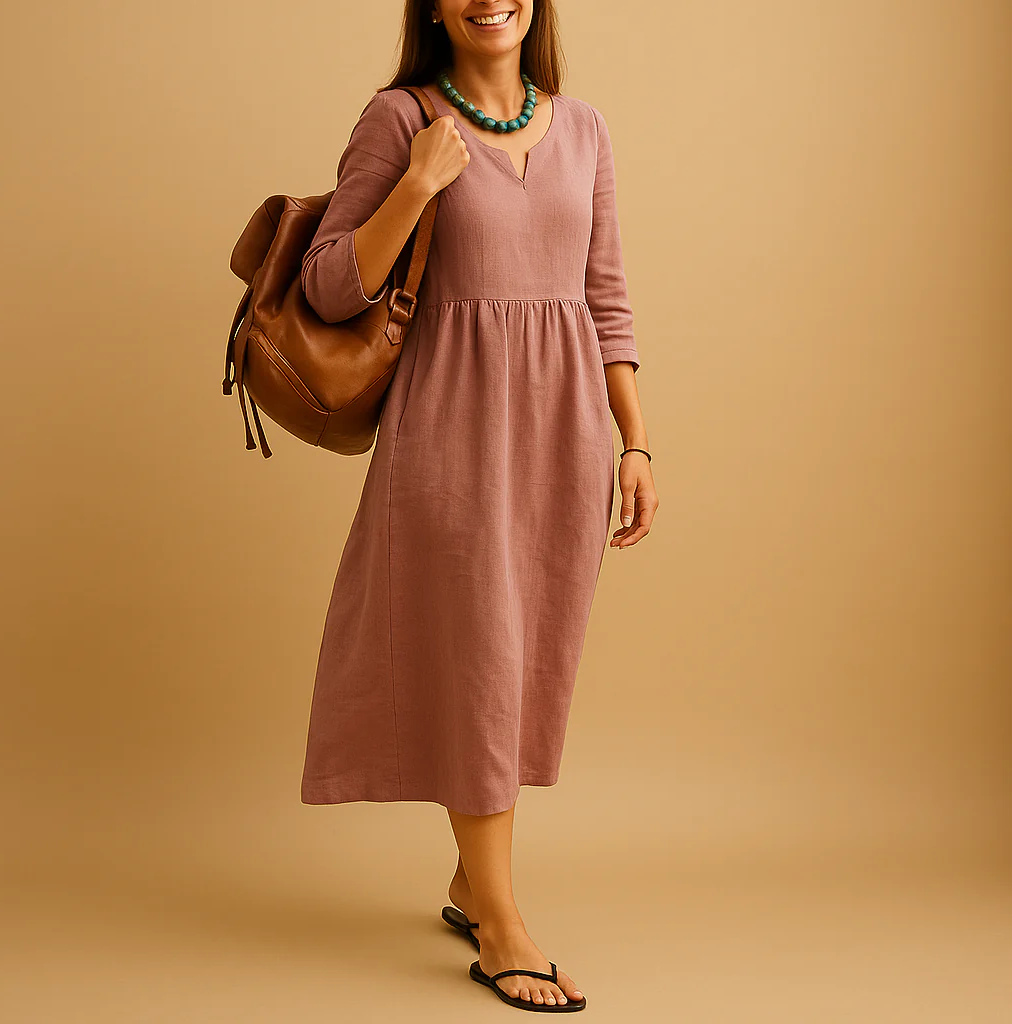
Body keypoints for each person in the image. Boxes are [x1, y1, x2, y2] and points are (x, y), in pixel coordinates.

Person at [299, 0, 658, 1011]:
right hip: (451, 431)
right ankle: (501, 923)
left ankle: (469, 882)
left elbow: (607, 298)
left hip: (563, 437)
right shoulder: (400, 117)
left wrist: (634, 440)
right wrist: (417, 183)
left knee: (524, 662)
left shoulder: (584, 128)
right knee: (480, 663)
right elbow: (327, 287)